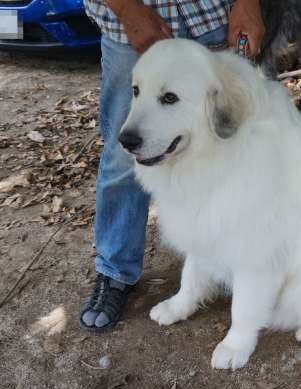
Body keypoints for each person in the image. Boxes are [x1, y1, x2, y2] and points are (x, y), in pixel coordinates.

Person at [79, 0, 265, 331]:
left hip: (214, 16)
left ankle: (254, 267)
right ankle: (116, 271)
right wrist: (125, 8)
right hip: (133, 27)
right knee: (127, 157)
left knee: (240, 152)